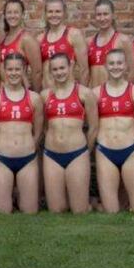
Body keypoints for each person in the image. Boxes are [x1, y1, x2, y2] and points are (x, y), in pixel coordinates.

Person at [92, 48, 134, 214]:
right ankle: (95, 202)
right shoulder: (95, 94)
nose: (115, 67)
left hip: (130, 151)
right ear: (105, 66)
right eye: (111, 63)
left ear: (125, 66)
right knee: (112, 212)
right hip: (105, 152)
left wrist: (131, 144)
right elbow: (94, 125)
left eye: (119, 63)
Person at [40, 53, 98, 214]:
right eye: (55, 69)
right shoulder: (45, 96)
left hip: (77, 154)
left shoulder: (85, 93)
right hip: (52, 155)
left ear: (70, 67)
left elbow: (93, 127)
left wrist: (86, 151)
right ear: (51, 72)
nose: (59, 72)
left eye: (62, 68)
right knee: (57, 210)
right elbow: (45, 126)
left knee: (79, 211)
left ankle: (89, 203)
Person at [0, 53, 44, 214]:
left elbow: (38, 131)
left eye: (17, 69)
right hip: (2, 159)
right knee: (3, 211)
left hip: (27, 159)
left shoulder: (34, 99)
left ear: (25, 70)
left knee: (30, 211)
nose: (13, 73)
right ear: (4, 71)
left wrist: (30, 148)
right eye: (10, 69)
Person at [38, 0, 88, 89]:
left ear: (64, 13)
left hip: (68, 94)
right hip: (47, 94)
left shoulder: (73, 34)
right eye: (50, 12)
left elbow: (84, 69)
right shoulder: (40, 39)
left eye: (58, 11)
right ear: (45, 14)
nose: (54, 15)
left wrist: (81, 95)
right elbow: (38, 71)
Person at [87, 0, 134, 87]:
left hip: (114, 94)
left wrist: (122, 92)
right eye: (99, 15)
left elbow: (133, 72)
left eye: (106, 14)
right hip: (94, 95)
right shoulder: (89, 41)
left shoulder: (123, 40)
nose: (102, 18)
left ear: (113, 15)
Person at [0, 0, 42, 91]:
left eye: (16, 12)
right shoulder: (3, 38)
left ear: (22, 15)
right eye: (9, 12)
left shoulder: (26, 39)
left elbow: (37, 71)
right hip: (4, 92)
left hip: (20, 93)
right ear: (5, 15)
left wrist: (34, 96)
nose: (12, 16)